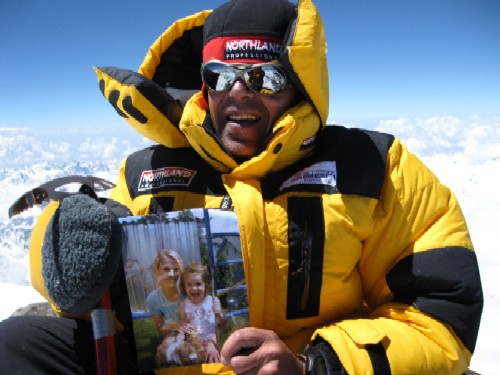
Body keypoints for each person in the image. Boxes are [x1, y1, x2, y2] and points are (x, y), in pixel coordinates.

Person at [0, 0, 483, 374]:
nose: (238, 90)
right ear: (204, 88)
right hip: (172, 362)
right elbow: (88, 295)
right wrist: (68, 250)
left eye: (264, 76)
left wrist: (316, 365)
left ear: (299, 82)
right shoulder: (145, 172)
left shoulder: (373, 168)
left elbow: (440, 317)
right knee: (17, 344)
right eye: (221, 76)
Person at [178, 263, 226, 364]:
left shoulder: (213, 301)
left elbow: (222, 324)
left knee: (214, 364)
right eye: (189, 285)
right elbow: (184, 328)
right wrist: (184, 324)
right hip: (194, 344)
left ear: (206, 285)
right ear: (184, 287)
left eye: (198, 284)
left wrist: (220, 314)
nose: (194, 288)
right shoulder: (184, 305)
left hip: (211, 341)